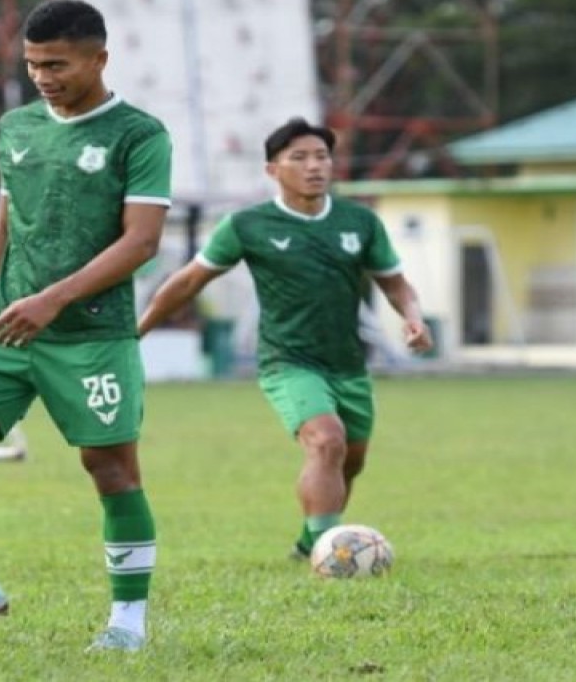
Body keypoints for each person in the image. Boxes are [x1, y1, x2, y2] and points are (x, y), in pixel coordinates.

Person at [0, 0, 171, 653]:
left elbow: (142, 242)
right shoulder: (16, 125)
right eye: (33, 65)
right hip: (4, 326)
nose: (44, 76)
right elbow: (6, 221)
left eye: (58, 64)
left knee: (110, 468)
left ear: (99, 58)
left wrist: (52, 300)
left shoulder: (140, 134)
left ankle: (128, 624)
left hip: (92, 334)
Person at [137, 117, 432, 560]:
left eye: (322, 157)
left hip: (348, 363)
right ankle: (333, 558)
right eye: (300, 158)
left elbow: (395, 284)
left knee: (349, 461)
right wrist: (136, 332)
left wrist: (413, 316)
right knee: (326, 441)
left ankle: (312, 542)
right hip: (287, 361)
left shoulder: (360, 222)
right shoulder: (248, 225)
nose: (315, 166)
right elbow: (188, 282)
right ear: (273, 170)